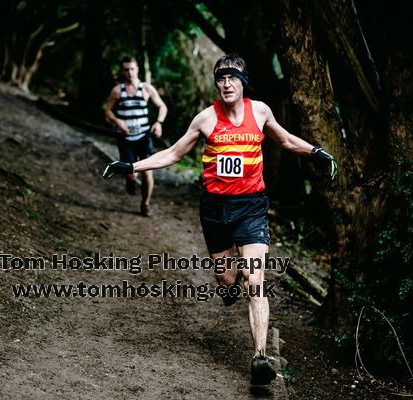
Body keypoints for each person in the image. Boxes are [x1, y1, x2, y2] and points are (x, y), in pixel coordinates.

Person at [103, 54, 337, 385]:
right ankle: (228, 287)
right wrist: (131, 167)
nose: (226, 83)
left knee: (254, 280)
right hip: (214, 209)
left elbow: (284, 140)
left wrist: (315, 151)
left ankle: (260, 357)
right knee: (228, 281)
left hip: (251, 206)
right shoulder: (205, 119)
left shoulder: (261, 112)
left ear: (244, 82)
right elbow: (173, 153)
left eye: (232, 78)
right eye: (221, 78)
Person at [104, 56, 168, 217]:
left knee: (147, 171)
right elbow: (108, 110)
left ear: (137, 69)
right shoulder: (117, 90)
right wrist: (118, 122)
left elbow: (162, 106)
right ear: (122, 71)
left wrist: (158, 123)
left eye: (132, 69)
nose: (129, 72)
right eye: (126, 69)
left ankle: (145, 204)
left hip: (144, 136)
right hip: (125, 138)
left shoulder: (146, 89)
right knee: (132, 173)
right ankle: (130, 179)